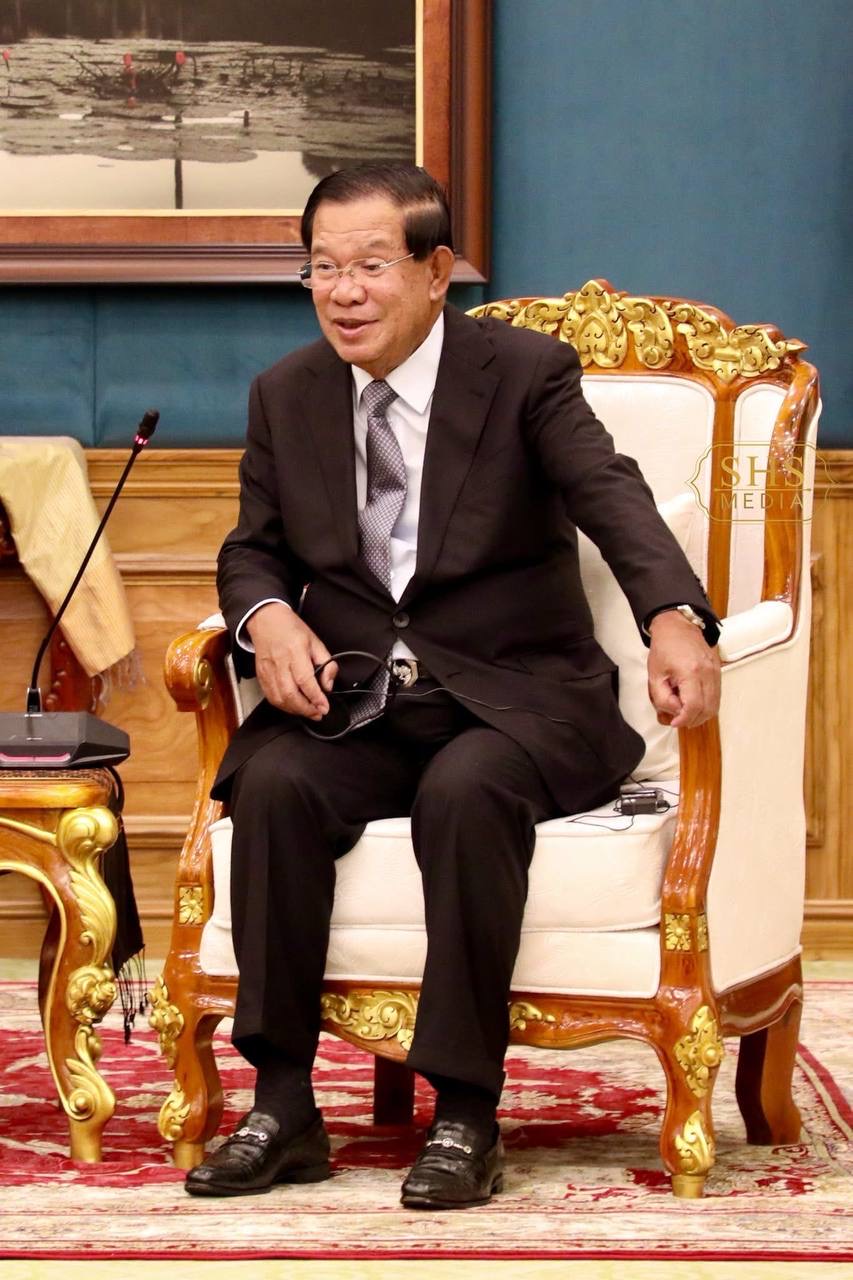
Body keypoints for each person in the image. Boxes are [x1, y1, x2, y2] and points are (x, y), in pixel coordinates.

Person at [185, 163, 720, 1209]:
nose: (344, 292)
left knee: (465, 789)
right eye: (322, 268)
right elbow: (252, 549)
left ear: (436, 272)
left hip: (515, 698)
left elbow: (608, 492)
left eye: (369, 265)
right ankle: (284, 1106)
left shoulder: (522, 373)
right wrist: (267, 616)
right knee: (276, 784)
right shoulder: (287, 393)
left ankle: (466, 1111)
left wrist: (671, 614)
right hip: (362, 704)